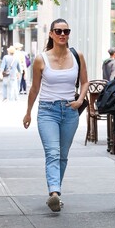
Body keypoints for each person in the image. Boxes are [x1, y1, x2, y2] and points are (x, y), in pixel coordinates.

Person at [23, 18, 89, 212]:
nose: (62, 35)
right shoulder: (40, 59)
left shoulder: (77, 55)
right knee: (53, 152)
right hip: (47, 111)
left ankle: (54, 192)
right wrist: (28, 112)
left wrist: (80, 100)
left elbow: (85, 82)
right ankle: (54, 193)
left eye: (66, 31)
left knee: (63, 155)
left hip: (70, 111)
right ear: (51, 34)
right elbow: (35, 88)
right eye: (58, 31)